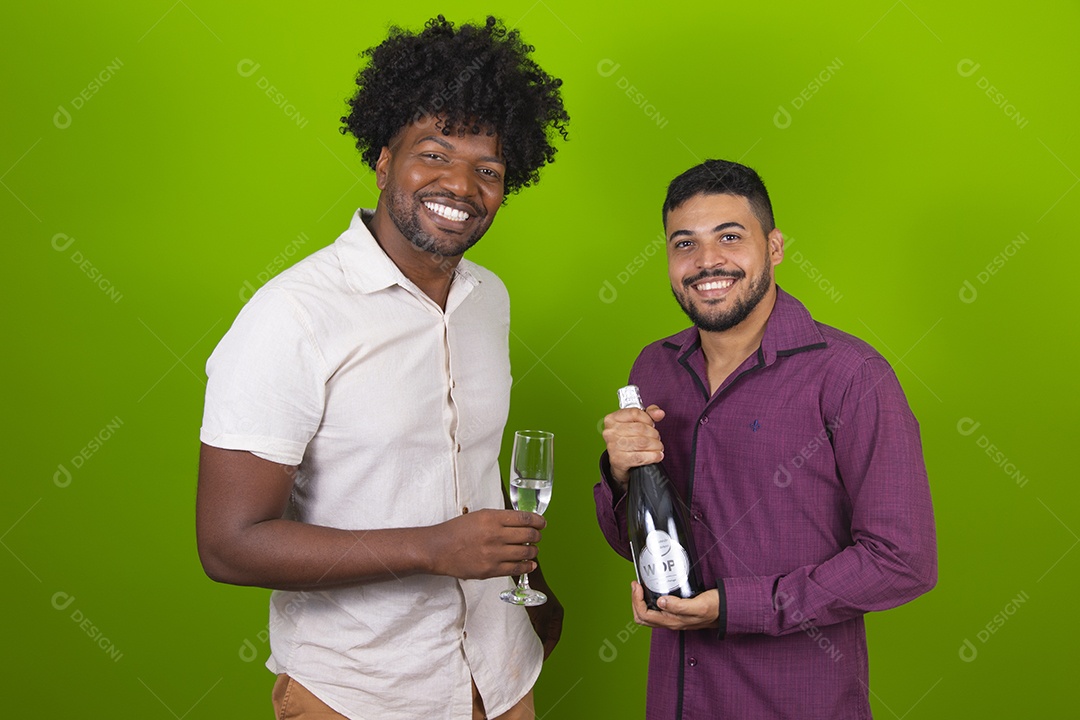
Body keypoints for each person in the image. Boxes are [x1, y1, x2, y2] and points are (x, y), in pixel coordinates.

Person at [196, 16, 569, 720]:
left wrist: (532, 592)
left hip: (499, 675)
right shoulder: (292, 316)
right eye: (433, 154)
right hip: (363, 694)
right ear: (382, 159)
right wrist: (434, 548)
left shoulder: (488, 298)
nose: (460, 184)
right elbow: (229, 545)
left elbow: (471, 469)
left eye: (488, 169)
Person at [596, 159, 937, 719]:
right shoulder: (652, 369)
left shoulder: (852, 376)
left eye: (730, 237)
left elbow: (904, 560)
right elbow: (634, 544)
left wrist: (737, 607)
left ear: (774, 247)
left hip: (797, 703)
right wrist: (617, 475)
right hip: (676, 702)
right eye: (685, 243)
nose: (707, 262)